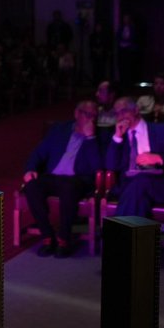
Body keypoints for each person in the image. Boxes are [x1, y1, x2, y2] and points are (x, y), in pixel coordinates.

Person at [21, 100, 103, 258]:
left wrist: (90, 138)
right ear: (77, 114)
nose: (91, 119)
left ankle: (64, 238)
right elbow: (39, 152)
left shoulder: (99, 135)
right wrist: (30, 169)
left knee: (68, 187)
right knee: (31, 185)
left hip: (78, 180)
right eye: (88, 115)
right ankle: (47, 235)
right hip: (53, 177)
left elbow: (97, 167)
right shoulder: (59, 129)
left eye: (95, 116)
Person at [105, 96, 164, 218]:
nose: (120, 116)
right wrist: (117, 137)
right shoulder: (118, 137)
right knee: (140, 199)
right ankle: (131, 231)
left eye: (124, 111)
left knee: (140, 181)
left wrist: (159, 158)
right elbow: (110, 166)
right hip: (129, 185)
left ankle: (118, 229)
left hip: (160, 184)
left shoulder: (162, 130)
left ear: (136, 110)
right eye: (116, 113)